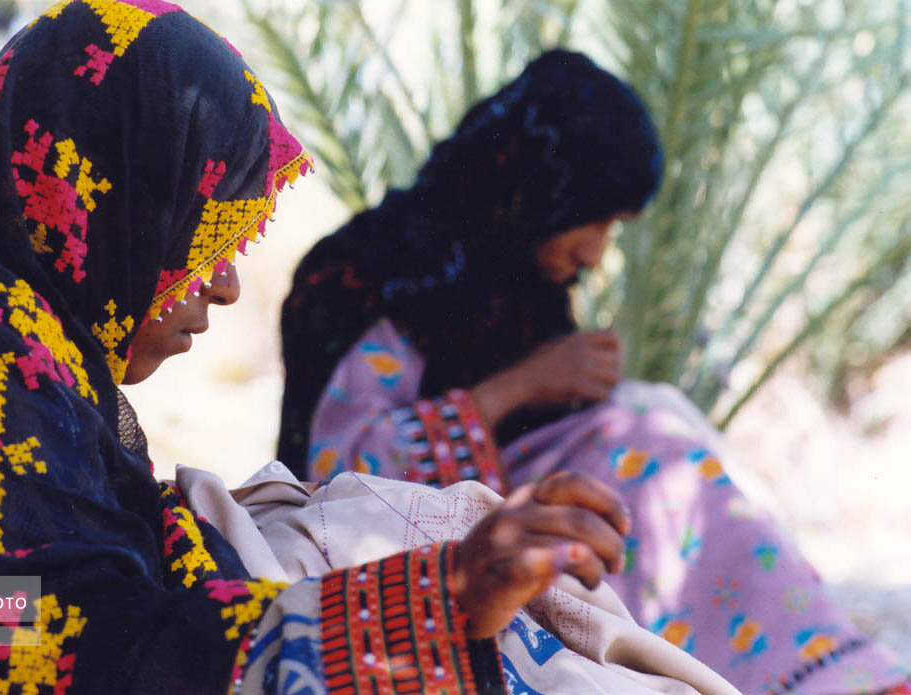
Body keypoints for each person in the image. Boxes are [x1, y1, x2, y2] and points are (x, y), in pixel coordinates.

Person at [0, 4, 741, 694]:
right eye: (198, 236)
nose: (222, 285)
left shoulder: (17, 346)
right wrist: (417, 604)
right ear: (94, 208)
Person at [277, 51, 911, 694]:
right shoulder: (367, 276)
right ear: (536, 192)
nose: (595, 252)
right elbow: (341, 471)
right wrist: (523, 384)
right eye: (593, 218)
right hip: (432, 562)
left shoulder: (515, 271)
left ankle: (827, 672)